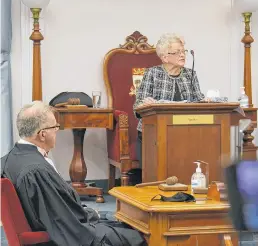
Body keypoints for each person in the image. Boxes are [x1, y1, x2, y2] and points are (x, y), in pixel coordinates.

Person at [1, 101, 146, 246]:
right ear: (42, 134)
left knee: (117, 221)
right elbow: (64, 223)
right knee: (138, 235)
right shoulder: (36, 171)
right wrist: (92, 215)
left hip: (63, 226)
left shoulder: (9, 159)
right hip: (68, 235)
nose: (57, 130)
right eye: (55, 127)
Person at [131, 33, 205, 183]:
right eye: (176, 52)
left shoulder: (190, 74)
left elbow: (199, 101)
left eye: (183, 51)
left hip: (185, 132)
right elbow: (137, 106)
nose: (182, 55)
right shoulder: (153, 73)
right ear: (164, 57)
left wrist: (206, 101)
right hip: (154, 133)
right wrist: (146, 104)